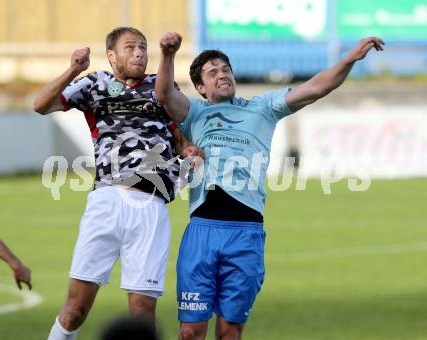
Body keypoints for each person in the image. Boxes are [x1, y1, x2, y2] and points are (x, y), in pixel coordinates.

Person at [156, 32, 384, 339]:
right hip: (202, 231)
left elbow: (316, 88)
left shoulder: (262, 107)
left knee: (229, 332)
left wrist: (349, 59)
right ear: (200, 87)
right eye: (213, 73)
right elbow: (166, 95)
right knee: (191, 332)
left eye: (226, 69)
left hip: (246, 235)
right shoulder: (195, 113)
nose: (222, 75)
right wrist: (168, 55)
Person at [34, 27, 201, 340]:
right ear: (111, 55)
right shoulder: (94, 83)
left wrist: (189, 151)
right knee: (75, 309)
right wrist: (73, 68)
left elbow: (180, 139)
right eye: (130, 47)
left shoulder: (160, 85)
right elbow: (41, 105)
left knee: (142, 315)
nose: (139, 53)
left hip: (152, 205)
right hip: (107, 200)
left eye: (143, 47)